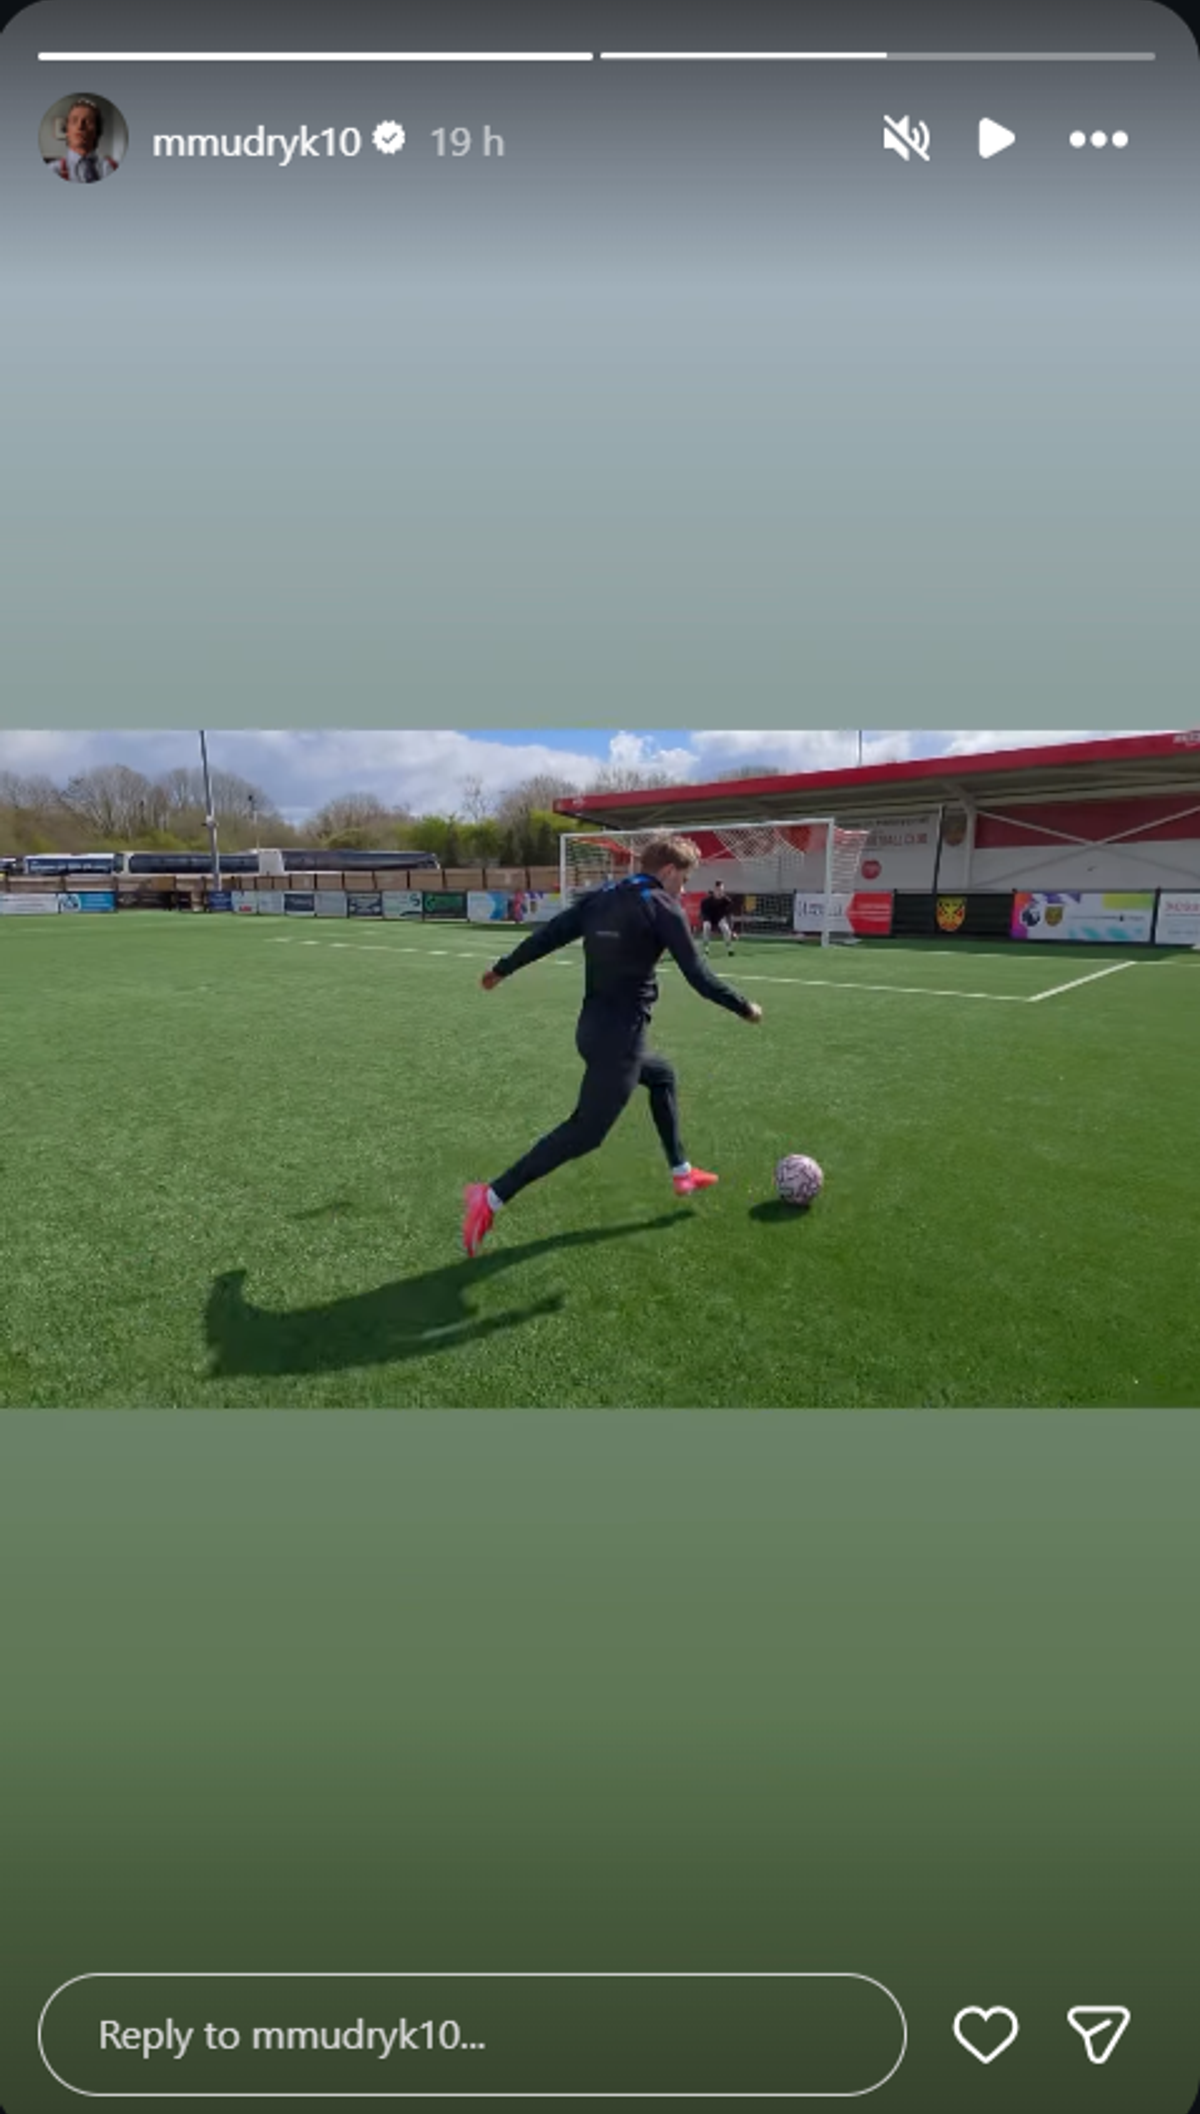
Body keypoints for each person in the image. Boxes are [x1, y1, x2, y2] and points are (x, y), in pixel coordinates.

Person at [463, 836, 762, 1256]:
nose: (685, 889)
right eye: (685, 879)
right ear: (670, 871)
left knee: (661, 1076)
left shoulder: (602, 895)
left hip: (592, 1030)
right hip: (620, 1039)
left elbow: (549, 935)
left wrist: (501, 969)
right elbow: (698, 976)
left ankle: (682, 1171)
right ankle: (491, 1196)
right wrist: (743, 1007)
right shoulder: (662, 906)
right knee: (586, 1131)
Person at [48, 99, 118, 182]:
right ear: (67, 131)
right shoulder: (53, 170)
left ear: (97, 131)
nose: (80, 126)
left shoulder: (111, 168)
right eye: (74, 121)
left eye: (88, 121)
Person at [699, 880, 737, 955]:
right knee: (706, 926)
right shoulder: (706, 901)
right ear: (715, 890)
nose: (720, 892)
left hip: (719, 918)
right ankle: (706, 947)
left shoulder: (727, 901)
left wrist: (732, 931)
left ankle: (729, 948)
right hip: (709, 917)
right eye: (719, 890)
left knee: (725, 928)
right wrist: (704, 921)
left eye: (722, 890)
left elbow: (729, 916)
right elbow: (703, 914)